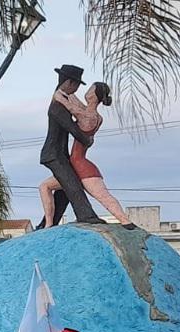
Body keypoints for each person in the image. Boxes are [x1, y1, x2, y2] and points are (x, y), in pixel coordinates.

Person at [37, 81, 136, 228]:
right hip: (75, 165)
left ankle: (126, 222)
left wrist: (59, 95)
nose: (87, 91)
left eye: (91, 89)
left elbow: (71, 106)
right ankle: (49, 224)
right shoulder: (95, 116)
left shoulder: (88, 117)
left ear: (94, 96)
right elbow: (74, 101)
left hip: (81, 166)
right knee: (45, 186)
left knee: (103, 196)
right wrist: (64, 90)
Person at [38, 64, 103, 227]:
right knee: (72, 183)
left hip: (60, 153)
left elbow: (81, 114)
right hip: (53, 154)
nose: (76, 89)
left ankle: (47, 224)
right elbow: (72, 128)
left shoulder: (65, 100)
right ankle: (86, 215)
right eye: (76, 85)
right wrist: (87, 140)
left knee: (64, 191)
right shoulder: (57, 106)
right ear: (69, 83)